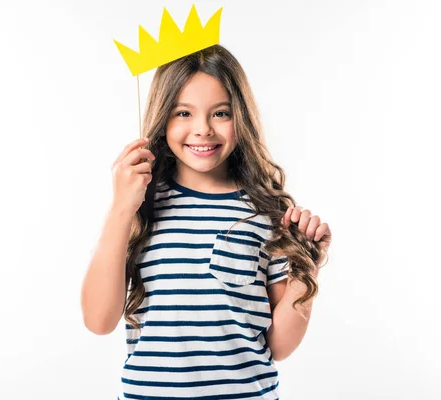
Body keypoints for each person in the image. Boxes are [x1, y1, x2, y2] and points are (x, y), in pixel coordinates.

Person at [80, 44, 332, 399]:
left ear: (241, 117)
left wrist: (307, 269)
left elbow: (279, 347)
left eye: (220, 113)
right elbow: (98, 321)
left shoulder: (268, 214)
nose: (202, 129)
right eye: (183, 113)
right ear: (163, 116)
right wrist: (122, 207)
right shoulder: (139, 207)